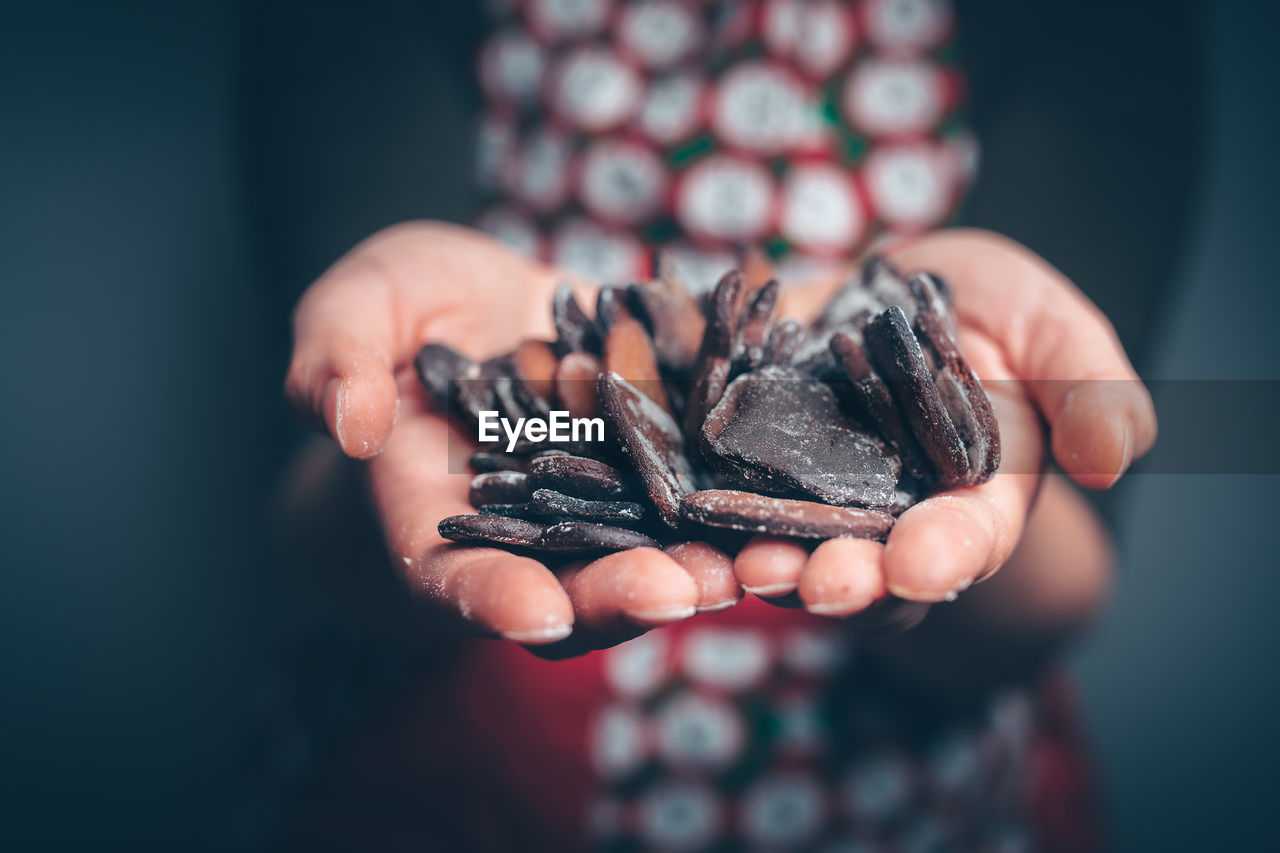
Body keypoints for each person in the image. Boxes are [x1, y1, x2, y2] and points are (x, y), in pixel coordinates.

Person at [269, 2, 1163, 849]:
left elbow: (1060, 589)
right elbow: (311, 526)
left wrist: (946, 475)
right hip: (444, 770)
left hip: (899, 798)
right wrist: (385, 431)